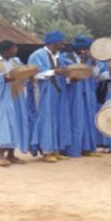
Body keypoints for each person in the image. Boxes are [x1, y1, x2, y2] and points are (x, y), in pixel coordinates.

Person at [0, 40, 32, 167]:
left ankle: (11, 155)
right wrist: (4, 79)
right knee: (2, 126)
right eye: (14, 48)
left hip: (16, 97)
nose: (16, 50)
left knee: (15, 124)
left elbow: (22, 75)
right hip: (0, 99)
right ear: (6, 50)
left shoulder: (17, 62)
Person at [28, 31, 70, 163]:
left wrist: (68, 76)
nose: (63, 45)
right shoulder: (37, 55)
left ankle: (55, 149)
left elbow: (62, 72)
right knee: (45, 119)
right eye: (61, 42)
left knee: (57, 119)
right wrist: (54, 71)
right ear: (54, 43)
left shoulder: (59, 57)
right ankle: (46, 150)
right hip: (43, 92)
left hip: (57, 92)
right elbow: (34, 74)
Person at [62, 35, 102, 157]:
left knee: (88, 120)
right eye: (84, 48)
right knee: (74, 120)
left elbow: (96, 75)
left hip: (87, 93)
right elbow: (63, 76)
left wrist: (93, 63)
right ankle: (73, 149)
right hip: (72, 94)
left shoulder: (90, 60)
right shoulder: (65, 58)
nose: (86, 51)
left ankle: (87, 147)